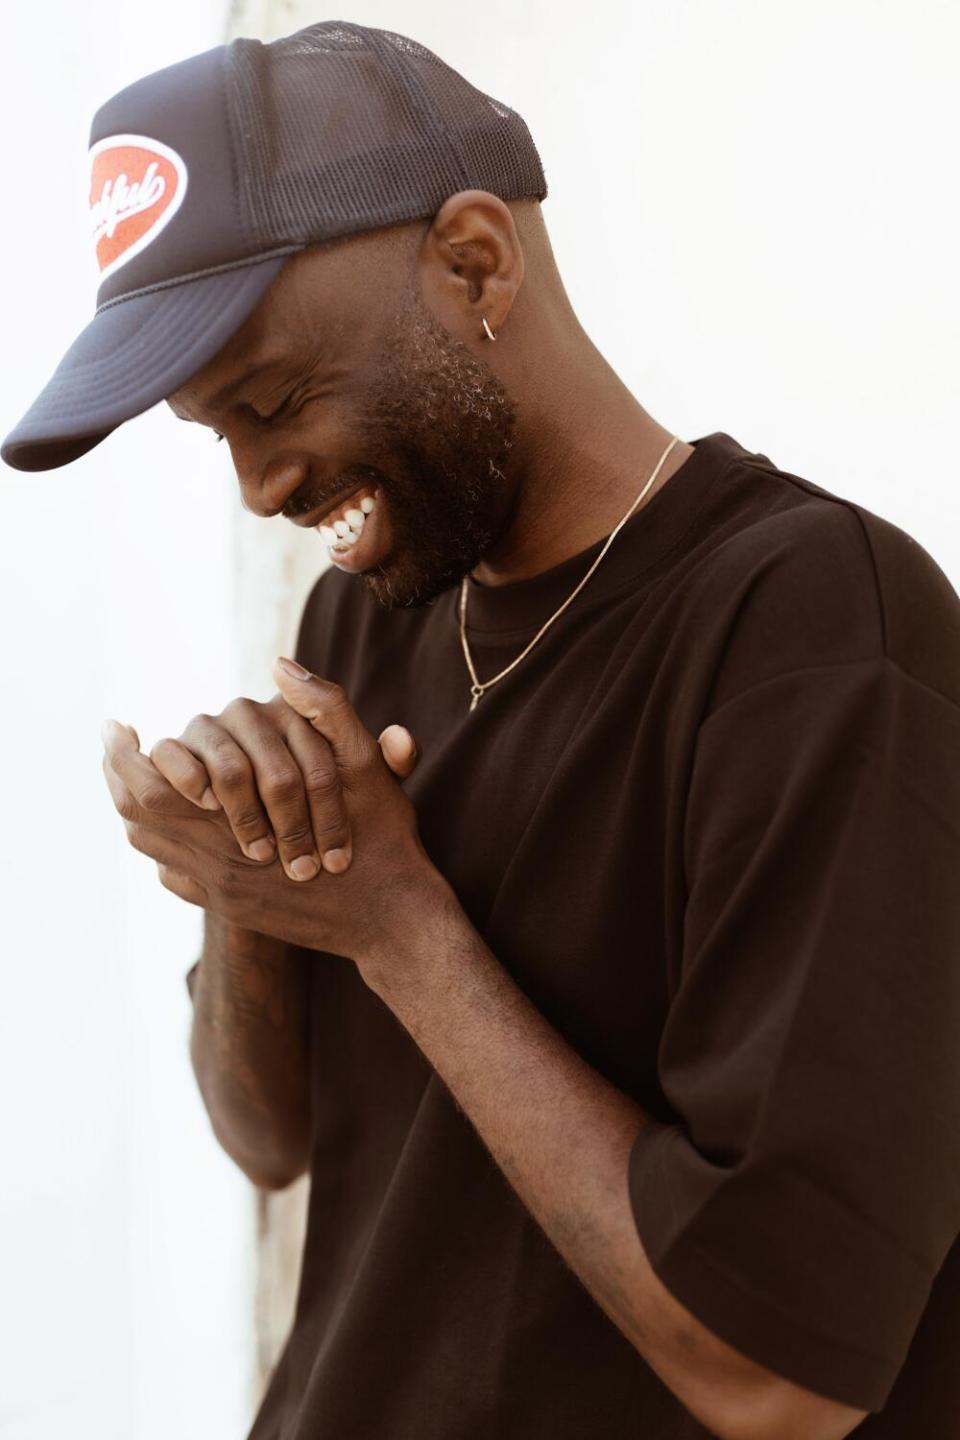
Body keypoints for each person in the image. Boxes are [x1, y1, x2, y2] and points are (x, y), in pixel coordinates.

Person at [5, 20, 959, 1440]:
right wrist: (251, 897)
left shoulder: (813, 628)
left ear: (473, 262)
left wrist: (399, 925)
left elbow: (778, 1376)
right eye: (217, 436)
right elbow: (270, 1140)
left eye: (272, 402)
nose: (262, 485)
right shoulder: (371, 616)